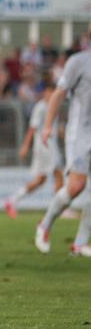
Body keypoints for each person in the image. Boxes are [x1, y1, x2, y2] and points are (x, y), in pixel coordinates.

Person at [40, 36, 91, 256]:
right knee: (76, 186)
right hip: (80, 134)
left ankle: (79, 244)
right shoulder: (78, 62)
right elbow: (59, 93)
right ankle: (45, 225)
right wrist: (48, 125)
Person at [4, 81, 63, 219]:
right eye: (50, 91)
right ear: (46, 92)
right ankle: (61, 209)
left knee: (41, 180)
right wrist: (25, 146)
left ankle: (12, 200)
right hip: (44, 146)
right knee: (58, 173)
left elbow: (55, 128)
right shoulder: (41, 107)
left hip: (51, 145)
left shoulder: (53, 106)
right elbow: (32, 128)